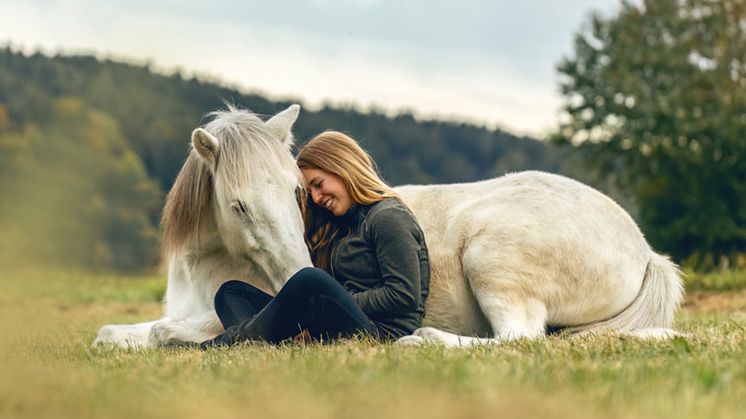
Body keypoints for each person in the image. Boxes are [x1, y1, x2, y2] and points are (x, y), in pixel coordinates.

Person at [198, 130, 430, 347]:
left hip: (380, 333)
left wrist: (333, 301)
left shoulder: (388, 217)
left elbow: (403, 295)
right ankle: (258, 342)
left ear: (343, 168)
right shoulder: (344, 223)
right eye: (311, 192)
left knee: (310, 281)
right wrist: (320, 308)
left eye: (318, 184)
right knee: (231, 293)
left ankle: (226, 343)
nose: (317, 198)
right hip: (336, 320)